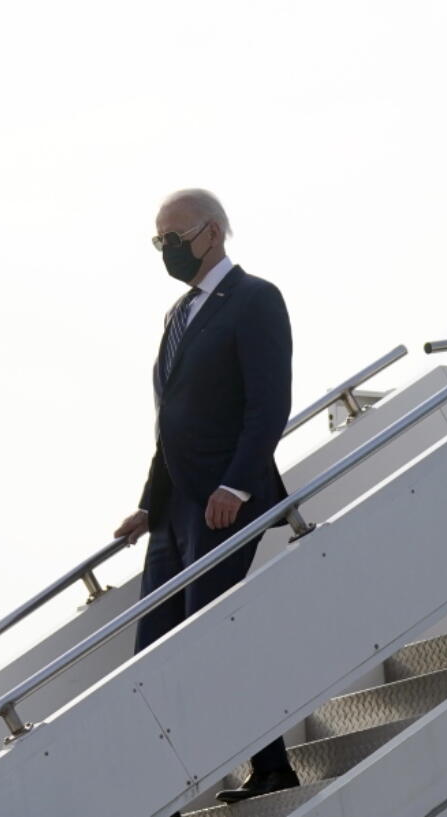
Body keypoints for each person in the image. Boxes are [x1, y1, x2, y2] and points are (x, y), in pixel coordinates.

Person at [113, 189, 300, 806]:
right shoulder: (178, 314)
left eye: (175, 236)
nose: (166, 249)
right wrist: (148, 503)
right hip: (174, 511)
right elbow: (171, 423)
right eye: (159, 240)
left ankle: (272, 766)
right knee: (156, 651)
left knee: (212, 635)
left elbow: (268, 404)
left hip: (223, 504)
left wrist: (237, 484)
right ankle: (169, 776)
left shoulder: (254, 300)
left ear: (212, 233)